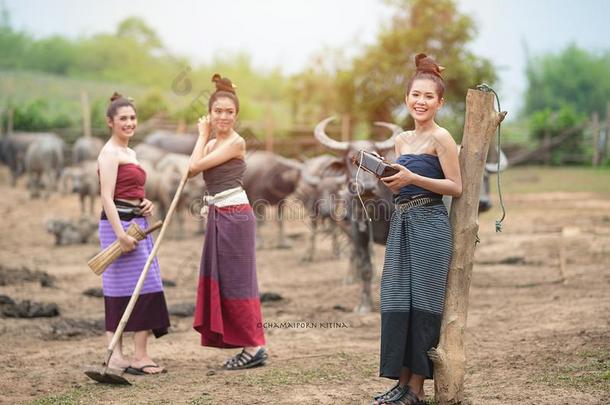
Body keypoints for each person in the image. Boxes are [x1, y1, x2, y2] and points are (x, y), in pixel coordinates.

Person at [372, 54, 462, 405]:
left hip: (430, 225)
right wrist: (392, 179)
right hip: (402, 224)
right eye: (415, 95)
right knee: (398, 302)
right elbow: (402, 184)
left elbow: (456, 186)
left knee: (423, 305)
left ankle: (417, 389)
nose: (421, 101)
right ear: (406, 98)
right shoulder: (401, 140)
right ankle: (400, 382)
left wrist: (413, 177)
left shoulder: (442, 138)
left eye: (429, 96)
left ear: (440, 102)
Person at [189, 74, 267, 369]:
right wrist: (203, 137)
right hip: (218, 214)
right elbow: (192, 170)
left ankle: (254, 347)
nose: (223, 116)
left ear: (236, 115)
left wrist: (200, 135)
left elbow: (193, 168)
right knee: (220, 281)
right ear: (210, 113)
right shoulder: (211, 144)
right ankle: (247, 345)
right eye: (217, 111)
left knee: (238, 283)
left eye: (229, 112)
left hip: (235, 217)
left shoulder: (236, 142)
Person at [97, 92, 170, 375]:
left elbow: (130, 191)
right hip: (117, 227)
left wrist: (144, 202)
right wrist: (120, 235)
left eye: (132, 118)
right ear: (110, 122)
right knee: (118, 288)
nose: (129, 123)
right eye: (123, 119)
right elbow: (106, 197)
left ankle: (140, 355)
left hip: (138, 224)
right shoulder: (109, 154)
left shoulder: (131, 153)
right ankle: (117, 355)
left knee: (147, 285)